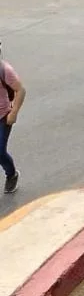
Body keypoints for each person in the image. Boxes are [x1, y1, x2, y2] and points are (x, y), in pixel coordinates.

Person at [0, 50, 25, 194]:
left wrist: (14, 112)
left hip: (3, 117)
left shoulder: (4, 70)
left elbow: (21, 90)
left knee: (0, 151)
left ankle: (11, 175)